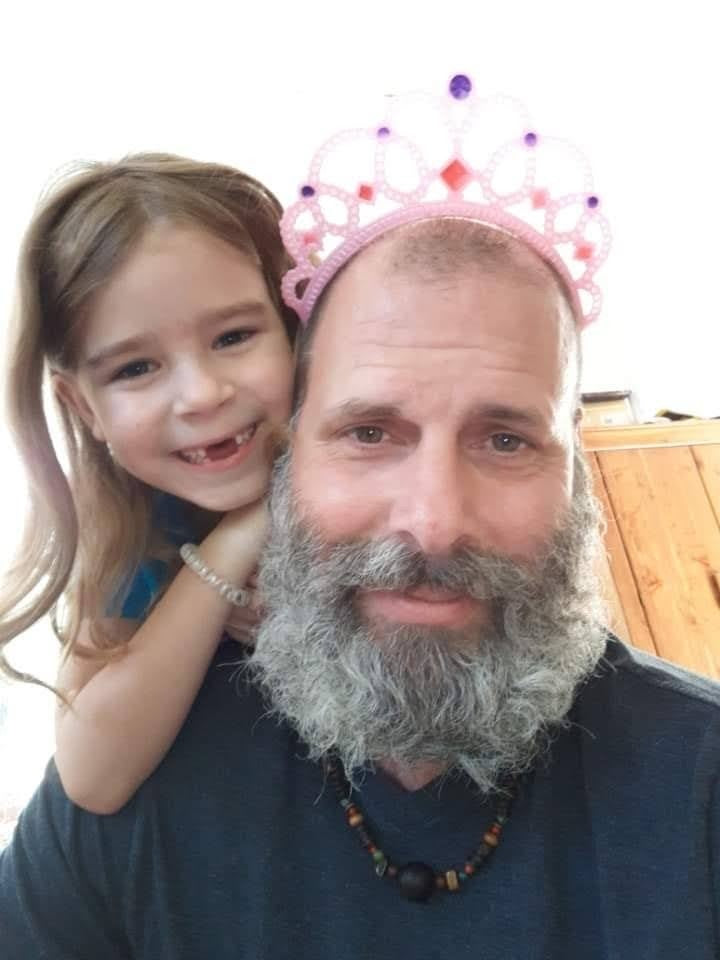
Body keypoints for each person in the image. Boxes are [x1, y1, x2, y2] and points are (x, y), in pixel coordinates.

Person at [2, 77, 719, 959]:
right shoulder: (130, 797)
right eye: (369, 431)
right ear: (298, 436)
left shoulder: (701, 786)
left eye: (505, 439)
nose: (434, 523)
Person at [0, 154, 296, 815]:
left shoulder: (380, 476)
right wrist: (237, 539)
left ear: (294, 328)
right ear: (83, 409)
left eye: (235, 335)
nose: (200, 395)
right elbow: (91, 776)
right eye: (136, 368)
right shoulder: (133, 517)